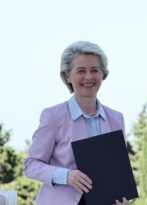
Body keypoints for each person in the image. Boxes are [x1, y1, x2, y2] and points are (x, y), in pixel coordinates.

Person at [24, 41, 130, 205]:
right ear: (67, 76)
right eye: (81, 70)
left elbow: (118, 170)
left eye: (94, 70)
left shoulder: (116, 118)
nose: (88, 76)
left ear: (103, 74)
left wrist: (121, 197)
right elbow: (31, 165)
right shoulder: (53, 116)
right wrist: (66, 175)